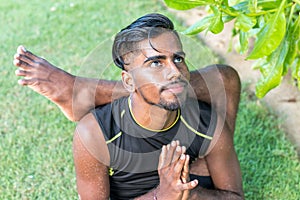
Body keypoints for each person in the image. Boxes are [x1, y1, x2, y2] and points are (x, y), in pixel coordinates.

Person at [14, 13, 243, 199]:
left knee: (224, 78)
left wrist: (190, 193)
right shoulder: (95, 133)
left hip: (192, 173)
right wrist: (163, 194)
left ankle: (81, 90)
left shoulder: (206, 121)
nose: (175, 72)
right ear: (128, 80)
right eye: (155, 62)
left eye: (178, 59)